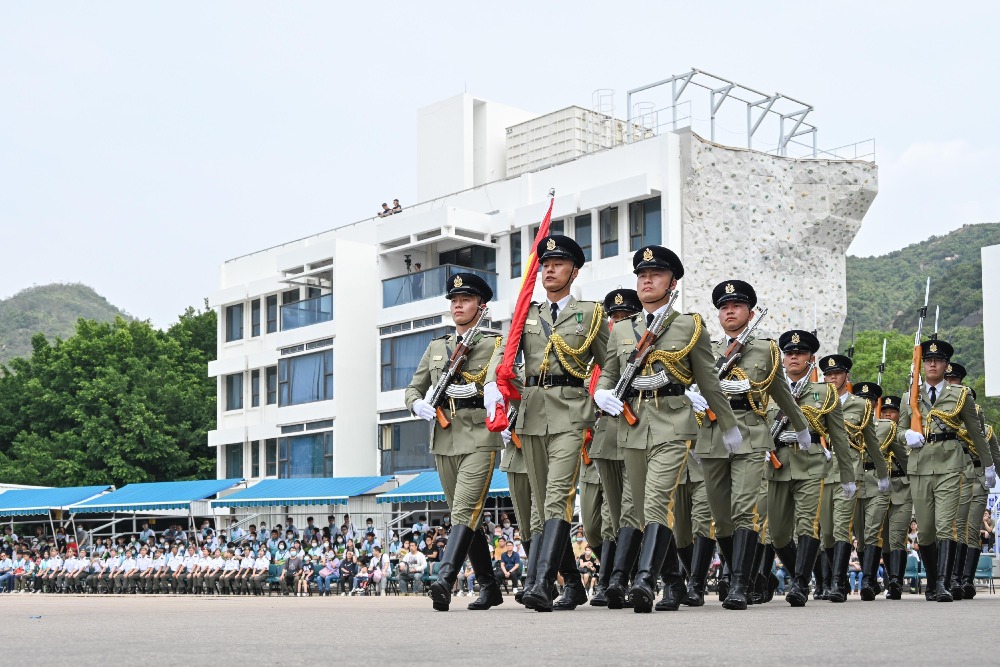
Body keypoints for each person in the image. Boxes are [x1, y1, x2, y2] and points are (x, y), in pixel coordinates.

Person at [595, 245, 741, 614]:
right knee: (633, 508)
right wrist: (600, 393)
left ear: (671, 283)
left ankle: (643, 580)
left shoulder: (689, 325)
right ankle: (670, 581)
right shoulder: (623, 328)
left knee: (658, 500)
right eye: (642, 275)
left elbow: (708, 381)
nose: (646, 280)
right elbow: (610, 373)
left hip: (674, 423)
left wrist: (728, 424)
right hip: (633, 424)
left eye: (655, 275)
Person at [498, 234, 610, 613]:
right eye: (545, 264)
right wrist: (497, 388)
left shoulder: (590, 314)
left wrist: (603, 393)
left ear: (574, 271)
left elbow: (609, 361)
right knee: (541, 505)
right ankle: (574, 585)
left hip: (570, 412)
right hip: (530, 413)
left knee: (556, 497)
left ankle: (542, 583)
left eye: (558, 264)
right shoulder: (525, 314)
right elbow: (507, 360)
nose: (548, 269)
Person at [691, 281, 811, 610]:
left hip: (749, 433)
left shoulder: (766, 349)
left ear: (750, 313)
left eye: (736, 306)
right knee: (720, 515)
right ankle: (742, 573)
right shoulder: (707, 350)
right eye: (724, 307)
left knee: (744, 509)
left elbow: (781, 393)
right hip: (713, 434)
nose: (729, 311)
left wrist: (801, 426)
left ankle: (739, 584)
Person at [406, 271, 506, 612]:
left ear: (482, 305)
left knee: (464, 510)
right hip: (444, 438)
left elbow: (497, 376)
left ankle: (444, 580)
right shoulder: (437, 347)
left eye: (465, 299)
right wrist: (417, 404)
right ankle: (490, 587)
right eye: (454, 300)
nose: (458, 305)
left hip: (480, 435)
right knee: (467, 515)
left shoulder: (495, 343)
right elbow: (413, 388)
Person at [896, 339, 993, 602]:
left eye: (938, 361)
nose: (933, 364)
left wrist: (989, 465)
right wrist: (908, 435)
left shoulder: (960, 396)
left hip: (951, 465)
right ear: (922, 364)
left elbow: (976, 432)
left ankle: (942, 583)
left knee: (946, 526)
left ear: (945, 365)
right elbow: (898, 429)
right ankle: (932, 578)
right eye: (928, 360)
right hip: (919, 467)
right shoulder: (911, 396)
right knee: (926, 530)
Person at [764, 329, 854, 607]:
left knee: (807, 525)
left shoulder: (823, 392)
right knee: (778, 534)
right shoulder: (768, 388)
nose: (793, 357)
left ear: (810, 358)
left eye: (800, 353)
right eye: (789, 353)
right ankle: (802, 574)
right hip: (777, 464)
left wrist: (848, 476)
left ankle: (800, 584)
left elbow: (838, 436)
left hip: (811, 463)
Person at [585, 288, 642, 608]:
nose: (617, 322)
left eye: (624, 317)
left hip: (631, 431)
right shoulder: (598, 359)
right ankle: (623, 568)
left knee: (617, 517)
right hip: (599, 438)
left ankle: (611, 580)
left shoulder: (639, 351)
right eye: (613, 317)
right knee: (594, 527)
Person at [818, 355, 887, 604]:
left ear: (847, 376)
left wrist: (882, 473)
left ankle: (838, 582)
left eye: (837, 373)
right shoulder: (817, 401)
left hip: (850, 472)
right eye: (828, 374)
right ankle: (840, 580)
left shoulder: (860, 405)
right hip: (822, 472)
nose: (832, 378)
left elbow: (872, 442)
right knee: (826, 533)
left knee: (841, 529)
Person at [848, 383, 893, 601]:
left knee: (873, 530)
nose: (866, 404)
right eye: (862, 400)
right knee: (861, 535)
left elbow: (901, 454)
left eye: (871, 401)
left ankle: (866, 579)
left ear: (876, 404)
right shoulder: (848, 423)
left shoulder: (885, 426)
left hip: (877, 482)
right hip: (856, 482)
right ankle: (871, 580)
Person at [871, 394, 913, 600]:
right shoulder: (876, 433)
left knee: (897, 538)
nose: (888, 415)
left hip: (902, 487)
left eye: (892, 412)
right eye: (884, 412)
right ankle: (890, 579)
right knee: (885, 542)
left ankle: (896, 581)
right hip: (879, 488)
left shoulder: (905, 434)